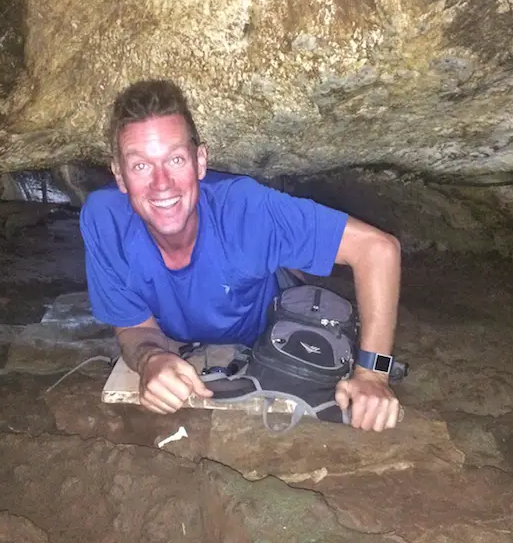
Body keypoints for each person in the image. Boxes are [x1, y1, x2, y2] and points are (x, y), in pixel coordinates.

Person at [80, 79, 403, 432]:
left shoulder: (245, 211)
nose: (162, 184)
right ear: (120, 176)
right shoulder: (103, 219)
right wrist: (151, 359)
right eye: (141, 165)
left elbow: (378, 249)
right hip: (182, 326)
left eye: (175, 159)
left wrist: (372, 374)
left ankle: (289, 266)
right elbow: (132, 325)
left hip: (261, 317)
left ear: (200, 162)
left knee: (288, 283)